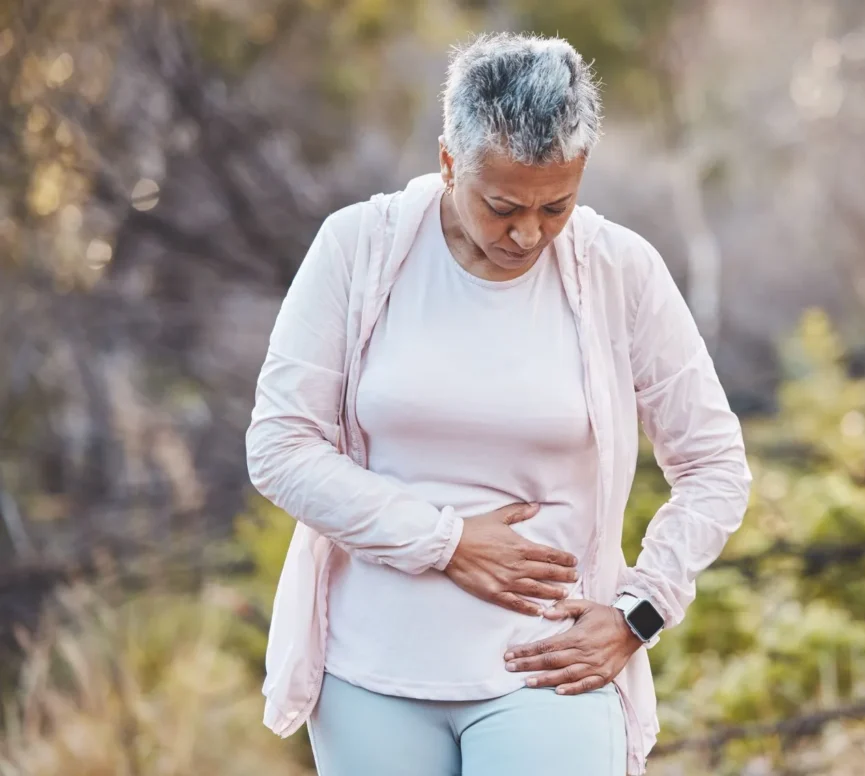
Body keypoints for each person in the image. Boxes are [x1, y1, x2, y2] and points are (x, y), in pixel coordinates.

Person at [246, 31, 751, 776]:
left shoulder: (622, 270)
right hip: (371, 670)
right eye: (502, 205)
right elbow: (280, 447)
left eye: (557, 207)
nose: (527, 233)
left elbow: (714, 466)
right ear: (451, 159)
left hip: (552, 666)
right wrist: (446, 540)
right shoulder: (357, 248)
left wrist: (640, 612)